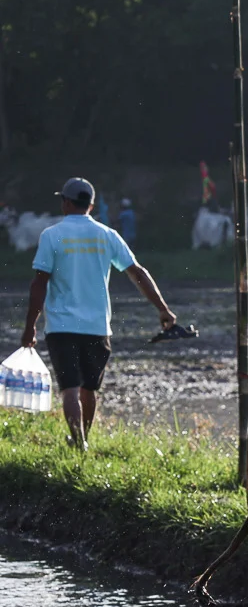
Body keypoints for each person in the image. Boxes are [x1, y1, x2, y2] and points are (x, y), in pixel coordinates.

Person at [19, 177, 179, 450]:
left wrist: (30, 326)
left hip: (61, 325)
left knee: (69, 388)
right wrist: (163, 309)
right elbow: (137, 273)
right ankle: (85, 439)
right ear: (91, 205)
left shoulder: (52, 235)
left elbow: (39, 283)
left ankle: (78, 441)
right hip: (97, 326)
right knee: (89, 389)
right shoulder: (107, 236)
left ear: (66, 203)